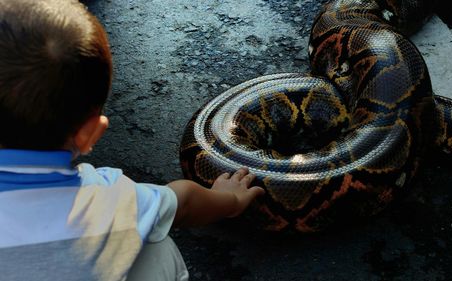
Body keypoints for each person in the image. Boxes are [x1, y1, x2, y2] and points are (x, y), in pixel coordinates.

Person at [0, 0, 265, 280]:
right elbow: (184, 202)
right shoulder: (110, 198)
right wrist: (230, 200)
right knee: (154, 240)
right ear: (90, 134)